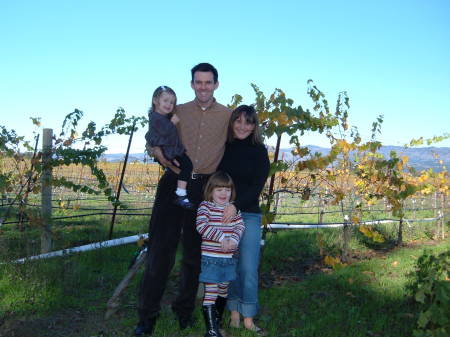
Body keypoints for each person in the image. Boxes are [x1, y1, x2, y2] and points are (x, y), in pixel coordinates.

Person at [135, 63, 232, 336]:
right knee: (159, 251)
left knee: (194, 255)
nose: (203, 87)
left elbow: (237, 144)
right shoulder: (177, 110)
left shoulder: (227, 115)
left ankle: (184, 311)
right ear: (192, 84)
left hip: (204, 189)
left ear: (216, 84)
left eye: (208, 82)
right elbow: (153, 132)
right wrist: (155, 150)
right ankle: (147, 316)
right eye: (198, 82)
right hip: (173, 183)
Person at [217, 105, 270, 335]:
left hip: (247, 214)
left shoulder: (259, 151)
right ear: (232, 123)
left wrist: (235, 206)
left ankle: (249, 318)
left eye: (248, 122)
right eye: (238, 120)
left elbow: (257, 186)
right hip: (223, 214)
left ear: (254, 126)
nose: (242, 126)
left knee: (248, 267)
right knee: (232, 266)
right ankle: (234, 314)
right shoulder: (224, 148)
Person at [196, 171, 245, 337]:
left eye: (227, 190)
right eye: (219, 190)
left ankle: (217, 322)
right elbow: (201, 226)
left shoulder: (233, 209)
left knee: (223, 290)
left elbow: (240, 226)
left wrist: (234, 240)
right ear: (211, 191)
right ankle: (211, 331)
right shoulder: (206, 206)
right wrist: (222, 238)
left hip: (228, 259)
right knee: (211, 292)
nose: (224, 193)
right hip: (211, 259)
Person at [145, 85, 194, 210]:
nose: (169, 104)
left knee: (185, 167)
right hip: (169, 152)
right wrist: (172, 122)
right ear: (155, 101)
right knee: (186, 166)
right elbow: (161, 134)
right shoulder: (156, 118)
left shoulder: (162, 117)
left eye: (172, 102)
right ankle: (180, 194)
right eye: (165, 101)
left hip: (172, 151)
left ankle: (181, 193)